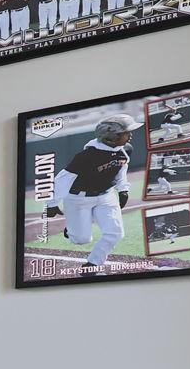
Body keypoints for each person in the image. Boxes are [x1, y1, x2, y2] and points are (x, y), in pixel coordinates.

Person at [43, 114, 138, 272]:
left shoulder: (126, 150)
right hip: (78, 199)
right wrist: (52, 204)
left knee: (115, 233)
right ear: (112, 136)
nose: (130, 135)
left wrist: (123, 189)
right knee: (81, 239)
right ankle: (73, 229)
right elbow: (62, 180)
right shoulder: (87, 156)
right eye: (126, 132)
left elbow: (121, 170)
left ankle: (93, 264)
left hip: (106, 196)